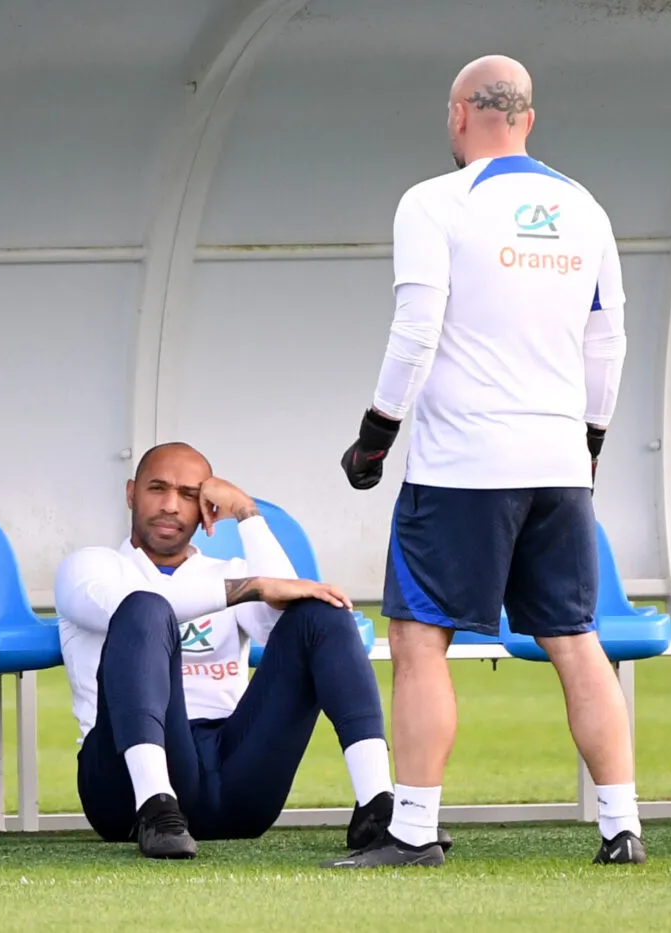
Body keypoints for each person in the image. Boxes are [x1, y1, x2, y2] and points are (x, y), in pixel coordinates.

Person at [329, 55, 639, 868]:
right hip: (559, 461)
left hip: (463, 462)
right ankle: (622, 826)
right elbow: (608, 342)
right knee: (576, 637)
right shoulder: (586, 209)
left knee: (419, 638)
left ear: (459, 115)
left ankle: (414, 830)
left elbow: (417, 326)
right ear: (529, 117)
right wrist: (592, 439)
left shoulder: (434, 202)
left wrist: (376, 434)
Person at [54, 442, 450, 860]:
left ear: (206, 508)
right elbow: (134, 607)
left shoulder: (229, 573)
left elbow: (297, 623)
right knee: (144, 608)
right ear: (131, 493)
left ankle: (377, 805)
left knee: (321, 611)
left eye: (189, 495)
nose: (171, 505)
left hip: (231, 781)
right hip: (123, 791)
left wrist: (247, 513)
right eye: (158, 489)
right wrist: (255, 588)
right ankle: (158, 808)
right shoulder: (89, 567)